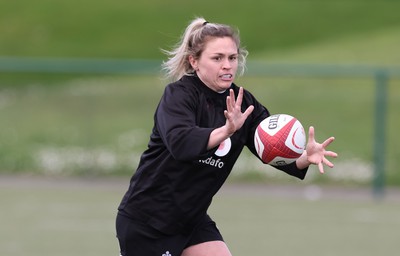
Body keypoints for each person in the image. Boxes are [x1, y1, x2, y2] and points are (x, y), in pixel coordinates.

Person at [116, 17, 337, 256]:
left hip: (191, 220)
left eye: (232, 58)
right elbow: (180, 143)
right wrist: (226, 131)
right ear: (194, 61)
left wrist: (303, 156)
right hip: (148, 221)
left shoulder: (244, 102)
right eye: (217, 58)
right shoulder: (179, 95)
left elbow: (270, 148)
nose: (227, 65)